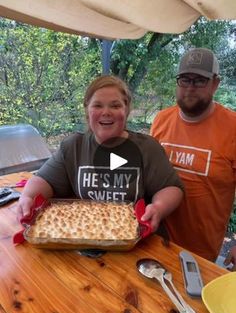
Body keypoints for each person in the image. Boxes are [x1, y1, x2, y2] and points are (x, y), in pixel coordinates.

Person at [17, 75, 183, 234]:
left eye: (115, 105)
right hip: (85, 234)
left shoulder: (147, 147)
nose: (106, 112)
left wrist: (159, 207)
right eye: (97, 105)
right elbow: (44, 180)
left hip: (135, 237)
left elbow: (171, 188)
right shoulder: (74, 146)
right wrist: (27, 197)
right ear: (87, 110)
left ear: (126, 110)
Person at [151, 48, 236, 269]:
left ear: (215, 83)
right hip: (156, 238)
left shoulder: (232, 127)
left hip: (202, 252)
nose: (190, 87)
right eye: (185, 79)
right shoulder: (161, 120)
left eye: (199, 81)